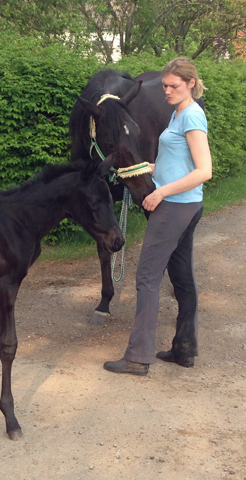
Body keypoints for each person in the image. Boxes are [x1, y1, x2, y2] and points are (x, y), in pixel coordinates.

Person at [104, 57, 212, 376]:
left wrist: (161, 191)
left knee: (148, 279)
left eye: (174, 86)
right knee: (181, 277)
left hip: (174, 207)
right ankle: (185, 348)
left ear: (191, 83)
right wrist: (153, 169)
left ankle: (138, 356)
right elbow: (180, 159)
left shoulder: (191, 116)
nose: (166, 90)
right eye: (164, 85)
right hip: (187, 205)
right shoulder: (180, 113)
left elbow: (204, 170)